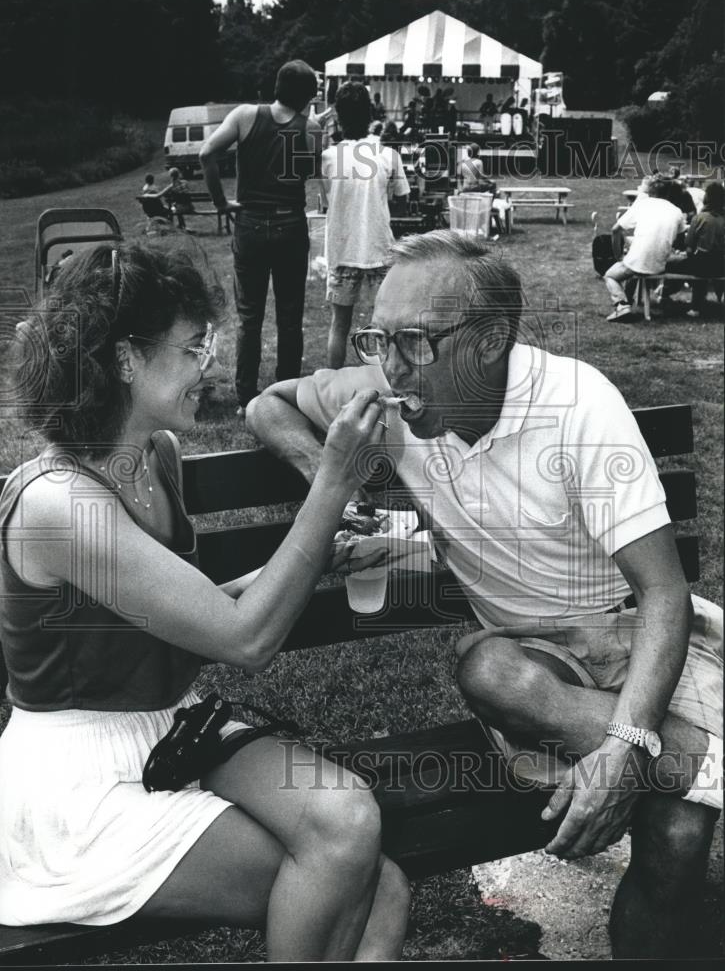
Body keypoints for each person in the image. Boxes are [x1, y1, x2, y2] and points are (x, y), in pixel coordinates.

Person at [246, 230, 723, 961]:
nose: (390, 365)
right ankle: (704, 765)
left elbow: (662, 591)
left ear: (491, 339)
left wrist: (627, 747)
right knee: (489, 669)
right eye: (378, 339)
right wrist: (327, 472)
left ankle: (688, 773)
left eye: (413, 341)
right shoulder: (390, 394)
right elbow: (268, 404)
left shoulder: (575, 406)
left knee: (677, 832)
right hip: (535, 667)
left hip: (638, 639)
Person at [0, 242, 410, 960]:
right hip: (78, 780)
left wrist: (320, 560)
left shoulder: (155, 454)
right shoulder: (59, 503)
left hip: (170, 727)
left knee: (353, 834)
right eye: (195, 347)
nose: (210, 365)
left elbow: (180, 613)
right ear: (126, 358)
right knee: (363, 884)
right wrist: (333, 483)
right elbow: (243, 641)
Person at [199, 59, 323, 417]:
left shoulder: (244, 115)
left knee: (249, 318)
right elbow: (307, 171)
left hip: (250, 224)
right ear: (307, 96)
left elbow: (207, 153)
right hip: (290, 227)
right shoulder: (311, 128)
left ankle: (246, 398)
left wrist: (221, 203)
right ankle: (285, 396)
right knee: (289, 317)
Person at [319, 82, 409, 369]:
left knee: (339, 325)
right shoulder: (388, 155)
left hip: (342, 249)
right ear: (371, 113)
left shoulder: (328, 158)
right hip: (379, 248)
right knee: (384, 327)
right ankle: (385, 383)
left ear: (338, 117)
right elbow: (402, 200)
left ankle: (332, 387)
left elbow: (325, 201)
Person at [604, 178, 687, 322]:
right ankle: (629, 300)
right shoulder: (677, 211)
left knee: (610, 275)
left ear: (649, 191)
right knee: (635, 263)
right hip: (660, 264)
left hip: (639, 262)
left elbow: (615, 229)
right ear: (668, 193)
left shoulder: (642, 204)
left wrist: (618, 255)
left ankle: (621, 305)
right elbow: (680, 240)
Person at [663, 181, 725, 318]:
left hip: (702, 265)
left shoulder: (700, 218)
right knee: (702, 264)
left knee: (675, 263)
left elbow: (689, 247)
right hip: (721, 265)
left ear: (707, 198)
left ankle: (665, 294)